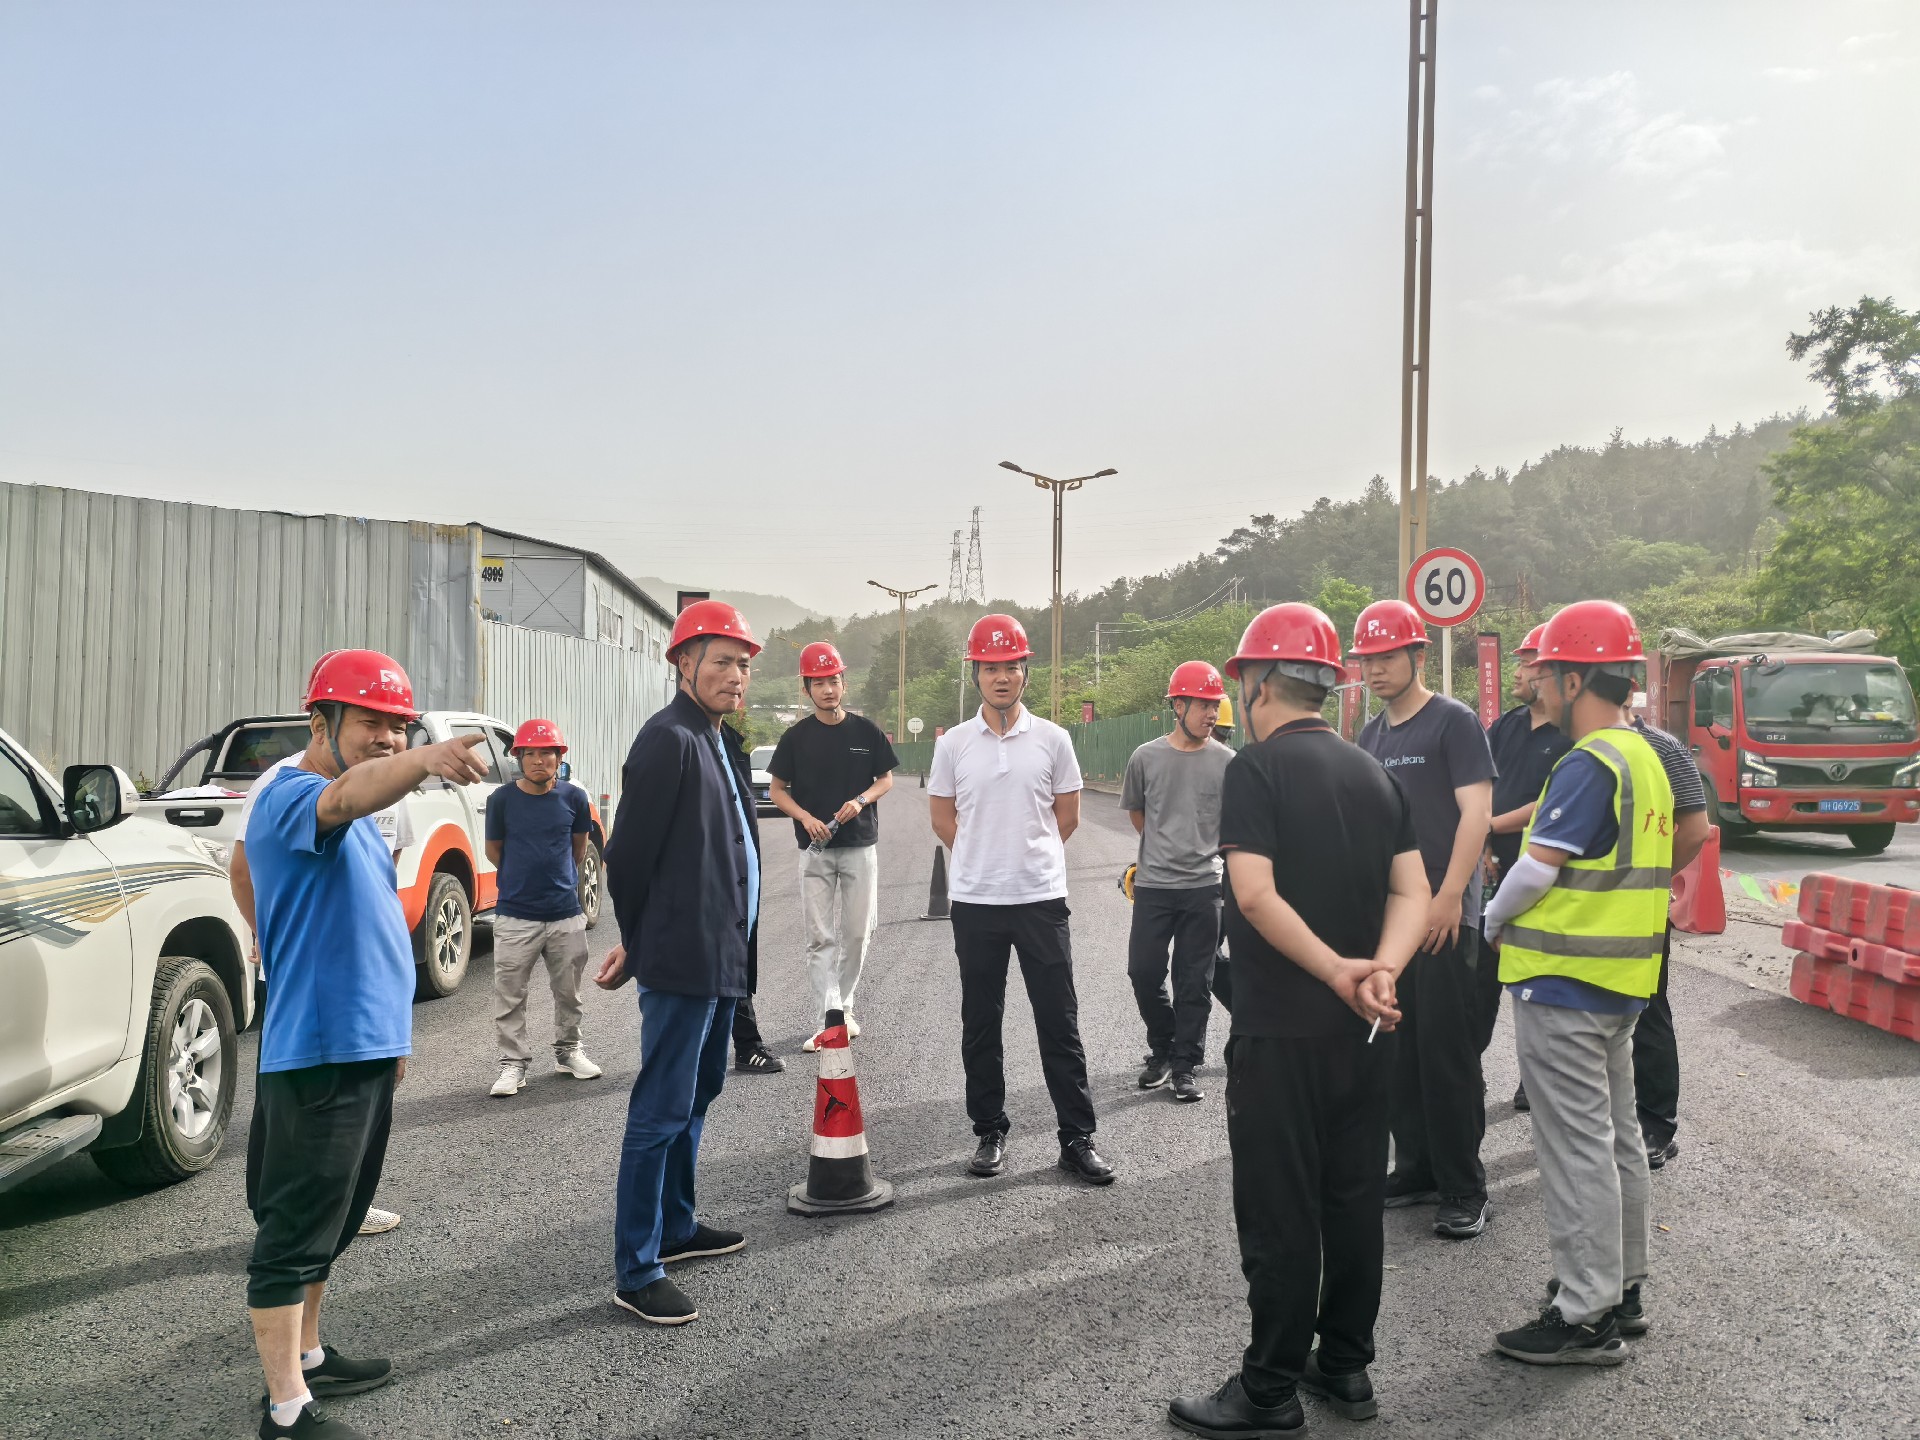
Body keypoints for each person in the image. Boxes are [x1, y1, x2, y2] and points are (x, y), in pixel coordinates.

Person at [1168, 604, 1428, 1438]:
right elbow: (1413, 891)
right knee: (1351, 1202)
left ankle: (1269, 1389)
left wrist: (1335, 971)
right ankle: (1345, 1364)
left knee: (1280, 1213)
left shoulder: (1255, 770)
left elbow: (1253, 895)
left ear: (1254, 685)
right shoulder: (1374, 772)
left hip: (1281, 1033)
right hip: (1367, 1032)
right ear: (1327, 685)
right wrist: (1380, 969)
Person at [243, 650, 490, 1440]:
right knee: (295, 1228)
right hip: (320, 1050)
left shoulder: (355, 817)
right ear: (320, 722)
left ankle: (309, 1354)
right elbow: (331, 805)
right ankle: (285, 1409)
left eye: (399, 726)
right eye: (371, 722)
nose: (388, 738)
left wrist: (393, 1035)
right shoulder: (294, 793)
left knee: (338, 1215)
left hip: (365, 1044)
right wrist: (424, 759)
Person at [1482, 600, 1675, 1366]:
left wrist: (1492, 918)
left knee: (1575, 1149)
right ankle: (1621, 1290)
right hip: (1621, 982)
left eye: (1545, 675)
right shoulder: (1646, 757)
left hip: (1564, 982)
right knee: (1617, 1138)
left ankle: (1584, 1313)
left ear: (1572, 680)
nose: (1536, 686)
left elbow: (1537, 869)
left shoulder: (1589, 761)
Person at [598, 600, 763, 1327]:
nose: (736, 675)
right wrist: (640, 943)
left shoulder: (715, 739)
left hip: (721, 952)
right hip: (682, 955)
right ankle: (637, 1269)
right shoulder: (668, 739)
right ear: (683, 663)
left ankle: (677, 1225)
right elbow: (628, 857)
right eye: (721, 661)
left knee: (699, 1094)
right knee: (661, 1108)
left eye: (743, 664)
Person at [927, 613, 1112, 1186]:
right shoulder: (953, 744)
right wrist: (983, 859)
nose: (1001, 677)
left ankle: (1076, 1138)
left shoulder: (1054, 739)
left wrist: (1028, 859)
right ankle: (989, 1131)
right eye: (990, 668)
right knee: (981, 1021)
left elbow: (1067, 816)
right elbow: (942, 819)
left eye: (1010, 666)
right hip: (976, 903)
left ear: (1025, 672)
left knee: (1059, 1021)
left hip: (1040, 901)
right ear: (976, 674)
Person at [1353, 599, 1497, 1240]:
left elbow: (1476, 815)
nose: (1375, 669)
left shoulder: (1453, 723)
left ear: (1417, 654)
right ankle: (1415, 1169)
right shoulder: (1370, 737)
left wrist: (1450, 896)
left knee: (1447, 1055)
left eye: (1387, 656)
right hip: (1392, 922)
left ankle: (1464, 1187)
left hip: (1444, 918)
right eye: (1367, 660)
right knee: (1397, 1051)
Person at [768, 641, 898, 1050]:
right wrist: (805, 817)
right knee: (820, 938)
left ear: (844, 683)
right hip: (815, 851)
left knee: (858, 933)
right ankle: (830, 1019)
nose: (828, 689)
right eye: (819, 683)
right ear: (806, 688)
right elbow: (776, 790)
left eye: (834, 681)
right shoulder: (795, 738)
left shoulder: (866, 731)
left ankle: (844, 1006)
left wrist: (861, 800)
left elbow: (885, 779)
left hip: (859, 846)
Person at [1120, 661, 1234, 1103]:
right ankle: (1163, 1047)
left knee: (1194, 981)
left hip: (1205, 887)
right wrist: (1163, 848)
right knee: (1143, 971)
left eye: (1215, 704)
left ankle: (1185, 1064)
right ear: (1178, 706)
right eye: (1203, 705)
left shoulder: (1227, 762)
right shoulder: (1145, 758)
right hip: (1154, 886)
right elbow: (1138, 813)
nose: (1212, 713)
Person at [486, 718, 602, 1097]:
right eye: (530, 753)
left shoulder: (574, 798)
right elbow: (494, 851)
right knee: (510, 995)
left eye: (546, 753)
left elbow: (578, 850)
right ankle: (512, 1064)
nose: (539, 760)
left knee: (569, 993)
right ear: (518, 757)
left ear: (559, 757)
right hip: (515, 915)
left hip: (565, 914)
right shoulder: (501, 800)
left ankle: (569, 1052)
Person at [1629, 696, 1711, 1169]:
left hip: (1637, 910)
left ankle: (1655, 1125)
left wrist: (1652, 878)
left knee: (1646, 1011)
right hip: (1579, 916)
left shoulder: (1662, 748)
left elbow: (1695, 829)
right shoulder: (1574, 745)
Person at [1483, 626, 1571, 1068]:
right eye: (1517, 663)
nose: (1517, 674)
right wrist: (1482, 844)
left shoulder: (1571, 735)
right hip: (1494, 868)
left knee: (1537, 983)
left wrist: (1487, 825)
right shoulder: (1506, 725)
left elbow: (1552, 802)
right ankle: (1469, 1070)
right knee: (1480, 984)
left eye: (1527, 664)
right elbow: (1482, 786)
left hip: (1542, 873)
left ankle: (1531, 1083)